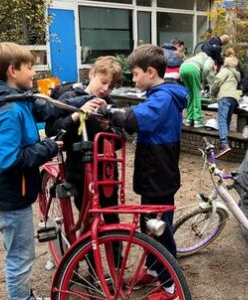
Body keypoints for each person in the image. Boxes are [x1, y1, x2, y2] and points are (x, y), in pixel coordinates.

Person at [96, 44, 188, 300]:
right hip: (154, 177)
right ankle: (154, 269)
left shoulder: (163, 98)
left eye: (135, 74)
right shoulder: (160, 95)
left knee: (159, 229)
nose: (133, 79)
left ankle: (170, 286)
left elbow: (137, 119)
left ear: (150, 72)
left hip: (159, 178)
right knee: (149, 226)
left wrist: (109, 112)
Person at [0, 42, 60, 300]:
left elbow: (37, 106)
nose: (34, 73)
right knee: (20, 257)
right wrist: (49, 147)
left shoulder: (14, 96)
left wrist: (55, 101)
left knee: (19, 253)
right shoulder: (8, 110)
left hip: (12, 193)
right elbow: (9, 159)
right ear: (13, 70)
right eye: (30, 67)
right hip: (10, 197)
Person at [45, 56, 123, 226]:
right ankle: (85, 252)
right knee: (86, 217)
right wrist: (75, 116)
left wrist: (107, 127)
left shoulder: (110, 104)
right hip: (79, 171)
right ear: (91, 73)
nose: (105, 89)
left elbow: (120, 140)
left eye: (110, 86)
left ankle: (115, 250)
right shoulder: (69, 97)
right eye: (103, 82)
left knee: (111, 216)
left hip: (106, 171)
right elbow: (52, 132)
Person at [210, 56, 242, 158]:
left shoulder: (225, 70)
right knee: (227, 119)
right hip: (234, 98)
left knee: (221, 119)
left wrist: (213, 92)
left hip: (225, 96)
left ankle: (224, 144)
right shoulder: (237, 73)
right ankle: (225, 143)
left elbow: (217, 81)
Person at [180, 51, 216, 127]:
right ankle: (197, 120)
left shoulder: (194, 57)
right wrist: (201, 78)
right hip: (193, 69)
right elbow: (207, 69)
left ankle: (188, 119)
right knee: (196, 95)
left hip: (182, 69)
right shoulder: (209, 59)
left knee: (190, 94)